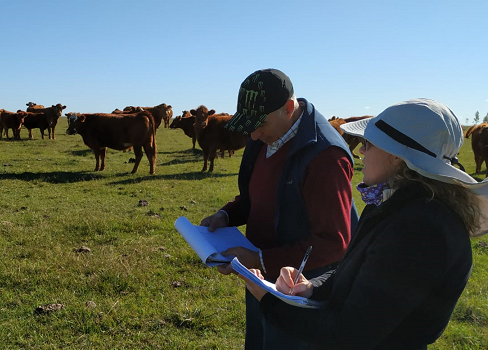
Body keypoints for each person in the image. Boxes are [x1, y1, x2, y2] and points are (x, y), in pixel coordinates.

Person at [234, 98, 487, 349]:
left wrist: (268, 301)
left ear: (397, 156)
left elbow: (349, 334)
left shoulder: (421, 230)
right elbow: (360, 273)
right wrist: (312, 287)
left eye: (368, 143)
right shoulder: (397, 204)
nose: (361, 152)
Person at [201, 68, 359, 349]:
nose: (252, 133)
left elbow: (334, 244)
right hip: (261, 278)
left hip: (300, 290)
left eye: (259, 124)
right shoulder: (264, 138)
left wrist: (259, 259)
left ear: (288, 108)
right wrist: (226, 215)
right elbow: (254, 195)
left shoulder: (325, 157)